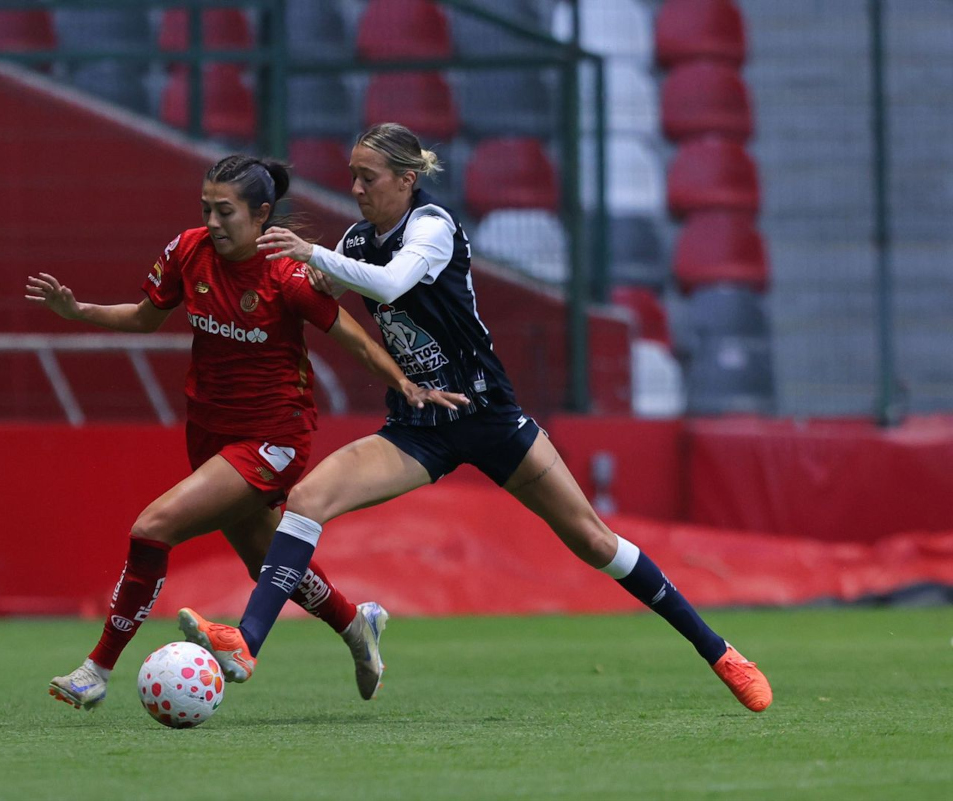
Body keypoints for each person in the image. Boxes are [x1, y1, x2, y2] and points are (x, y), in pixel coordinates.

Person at [178, 124, 773, 713]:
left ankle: (721, 653)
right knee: (308, 500)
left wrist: (313, 254)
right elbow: (318, 292)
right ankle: (247, 642)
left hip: (487, 416)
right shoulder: (357, 241)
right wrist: (278, 283)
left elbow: (390, 284)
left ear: (406, 179)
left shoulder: (432, 226)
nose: (356, 188)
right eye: (352, 176)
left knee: (593, 540)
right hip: (419, 424)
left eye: (368, 177)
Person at [26, 153, 468, 710]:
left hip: (274, 437)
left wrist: (405, 385)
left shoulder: (286, 275)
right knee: (268, 564)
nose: (212, 222)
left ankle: (96, 669)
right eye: (206, 209)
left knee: (152, 529)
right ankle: (357, 626)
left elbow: (354, 339)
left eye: (225, 211)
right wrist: (78, 310)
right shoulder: (187, 250)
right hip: (209, 432)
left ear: (261, 215)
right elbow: (144, 317)